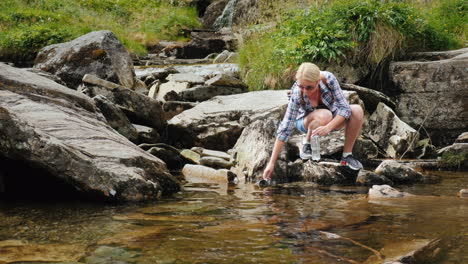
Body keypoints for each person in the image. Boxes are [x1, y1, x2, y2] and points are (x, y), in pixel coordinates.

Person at [262, 62, 364, 181]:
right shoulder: (296, 93)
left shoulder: (328, 79)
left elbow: (344, 108)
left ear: (317, 81)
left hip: (329, 119)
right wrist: (271, 163)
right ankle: (306, 142)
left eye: (309, 87)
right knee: (325, 115)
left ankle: (347, 156)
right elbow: (285, 128)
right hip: (304, 121)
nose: (305, 91)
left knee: (356, 110)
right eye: (301, 86)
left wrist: (329, 127)